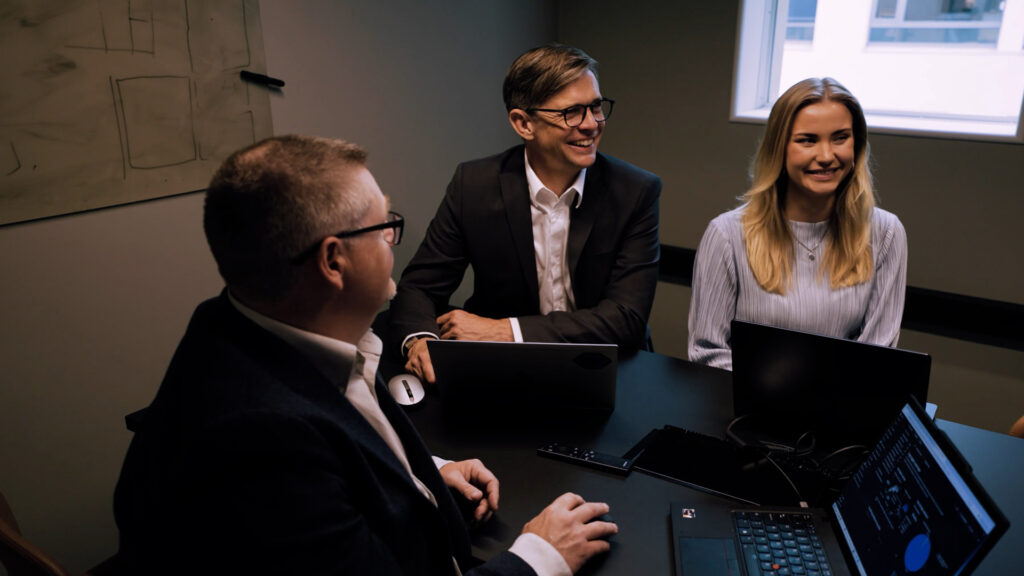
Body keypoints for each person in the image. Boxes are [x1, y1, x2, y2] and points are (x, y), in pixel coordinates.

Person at [113, 135, 617, 575]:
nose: (393, 239)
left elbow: (338, 439)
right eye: (384, 226)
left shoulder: (246, 323)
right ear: (334, 261)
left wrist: (415, 472)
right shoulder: (260, 446)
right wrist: (541, 556)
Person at [388, 43, 661, 383]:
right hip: (502, 369)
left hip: (605, 368)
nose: (591, 124)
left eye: (595, 107)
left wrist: (506, 330)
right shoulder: (474, 185)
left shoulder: (635, 191)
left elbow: (625, 318)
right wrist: (421, 341)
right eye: (572, 112)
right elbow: (419, 288)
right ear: (523, 123)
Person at [688, 77, 907, 370]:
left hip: (844, 400)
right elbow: (708, 353)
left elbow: (878, 358)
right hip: (745, 398)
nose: (826, 156)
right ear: (779, 148)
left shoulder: (886, 233)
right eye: (808, 140)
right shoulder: (726, 235)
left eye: (840, 138)